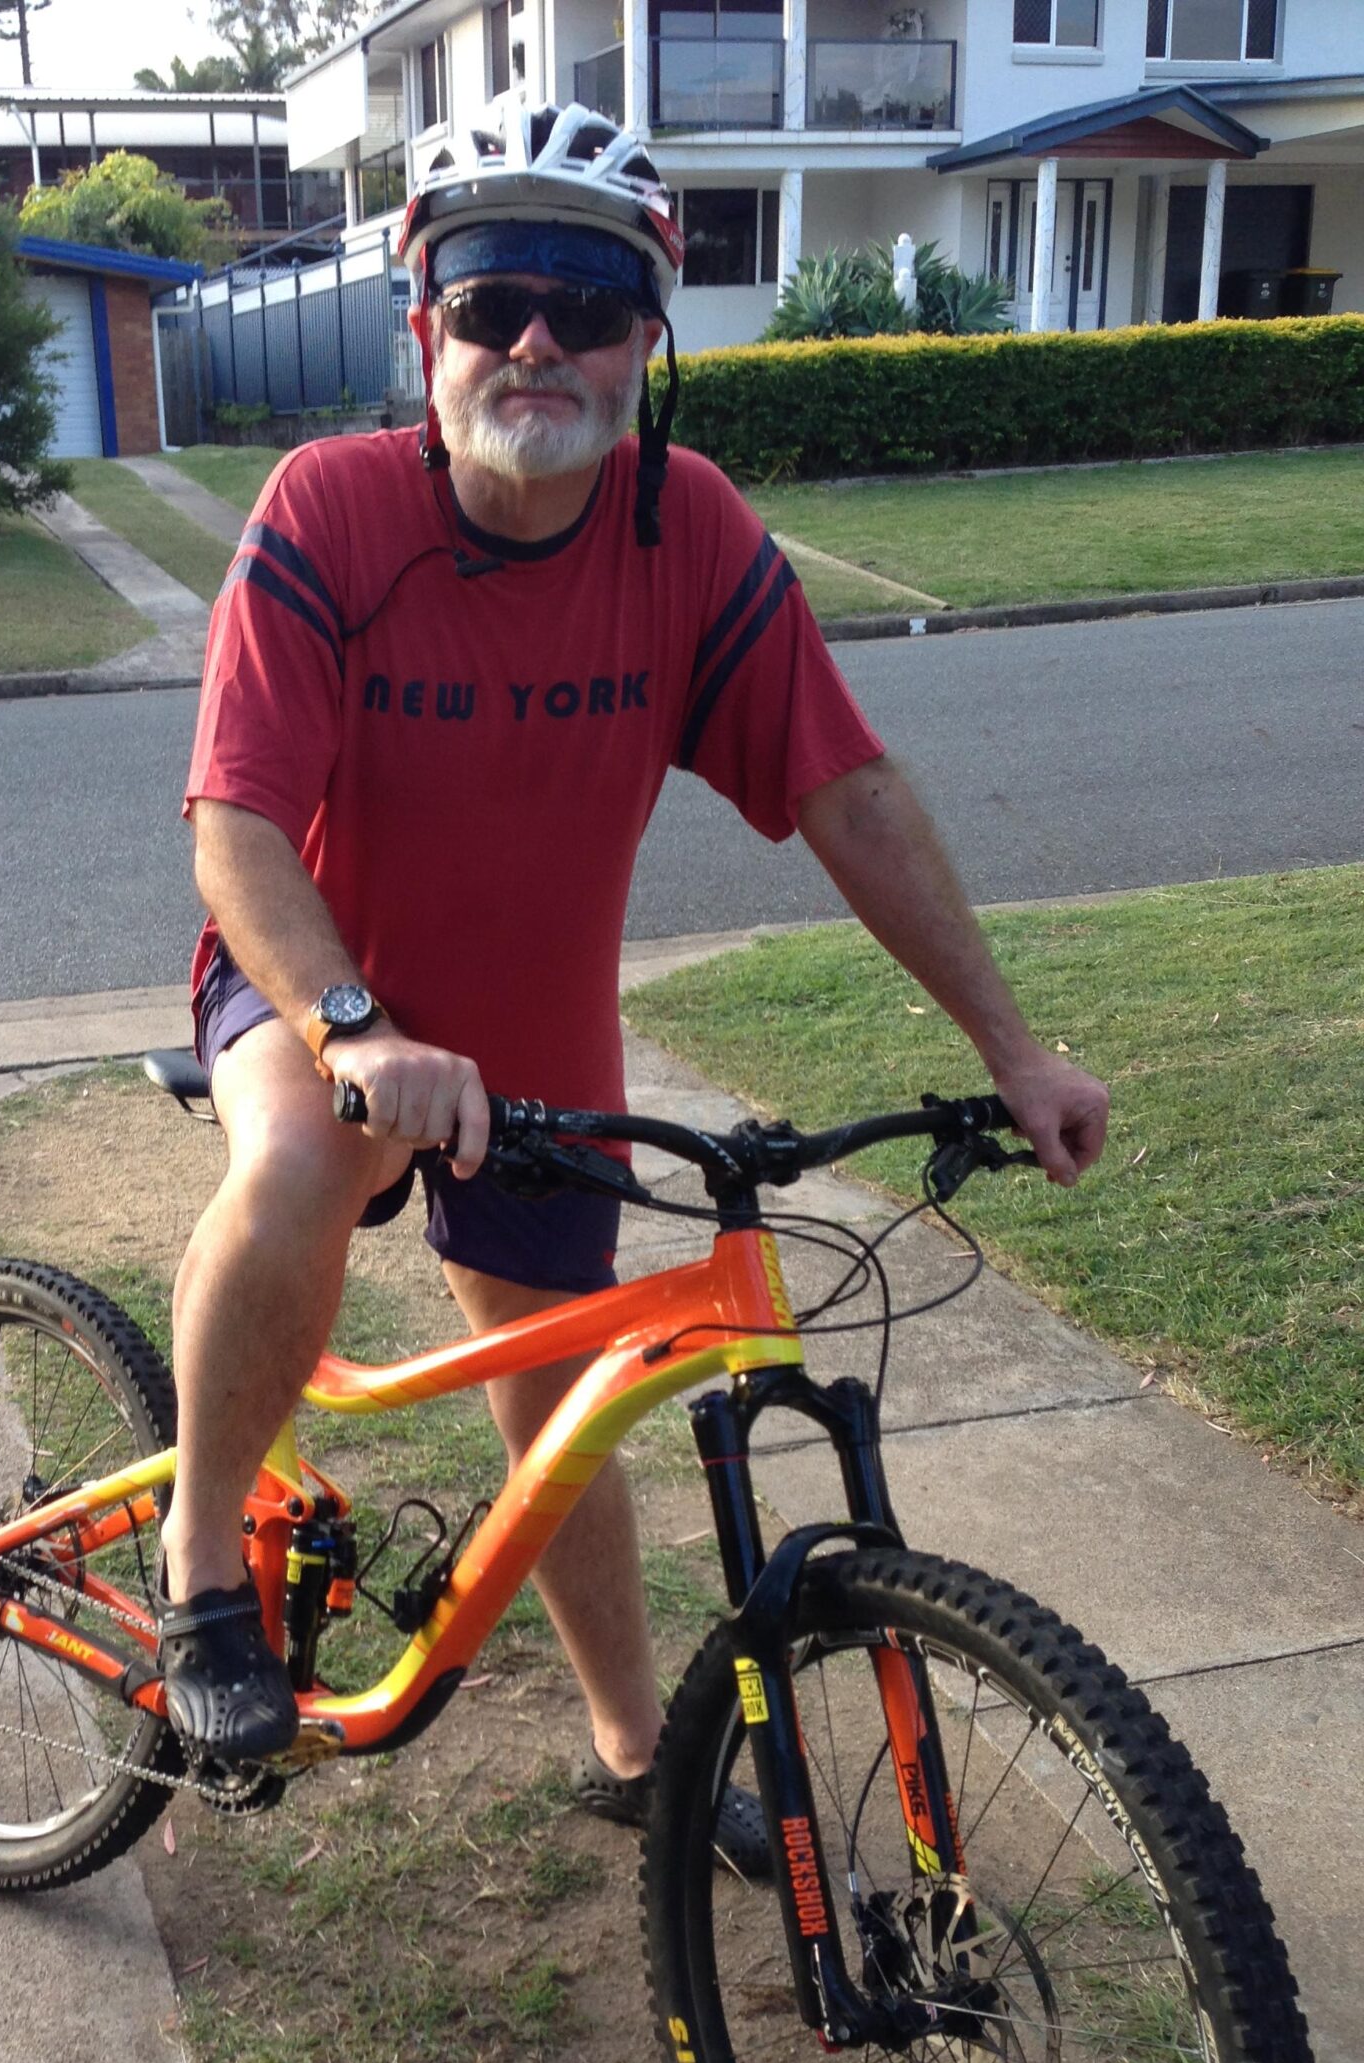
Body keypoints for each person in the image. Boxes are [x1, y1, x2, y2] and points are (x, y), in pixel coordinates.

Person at [157, 103, 1109, 1843]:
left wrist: (1018, 1048)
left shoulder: (693, 535)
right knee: (298, 1154)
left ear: (647, 338)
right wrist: (353, 1024)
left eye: (589, 302)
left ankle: (632, 1759)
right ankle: (205, 1567)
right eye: (495, 297)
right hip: (322, 983)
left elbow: (849, 792)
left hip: (530, 1031)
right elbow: (235, 824)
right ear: (424, 324)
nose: (539, 340)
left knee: (572, 1398)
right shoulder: (333, 509)